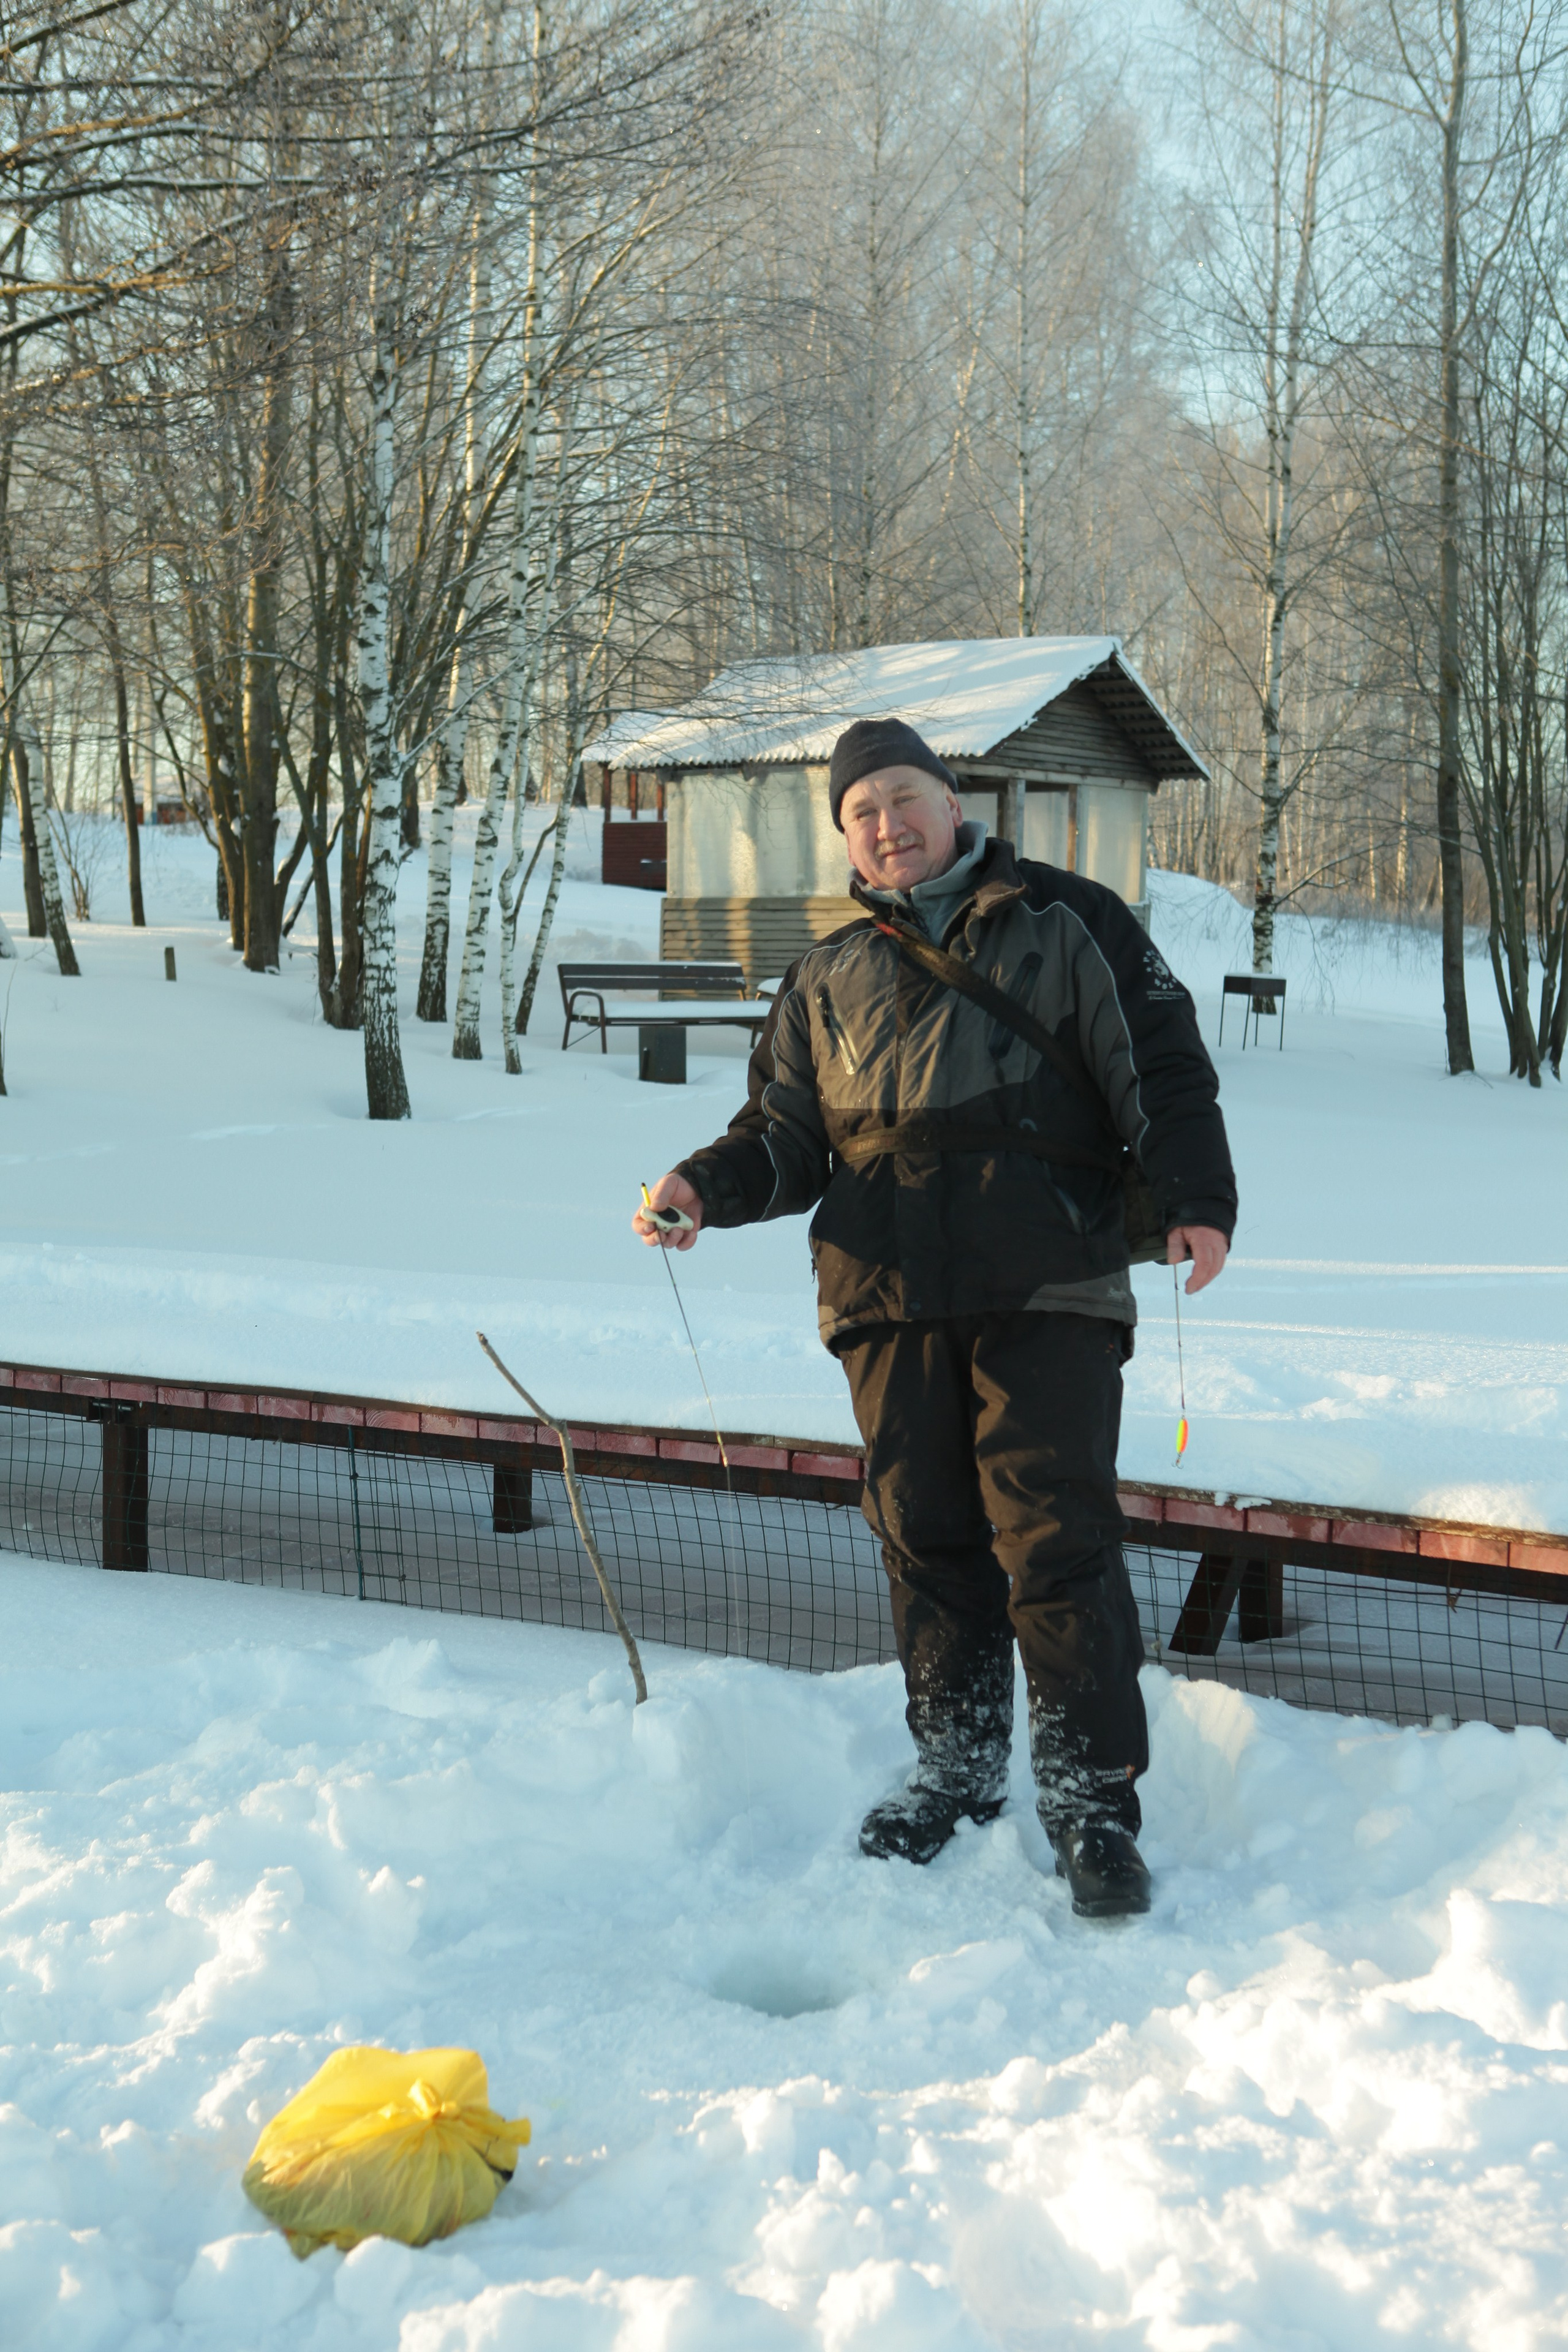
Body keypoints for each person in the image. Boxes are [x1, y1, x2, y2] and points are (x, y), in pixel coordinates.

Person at [634, 716, 1236, 1918]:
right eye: (860, 811)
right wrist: (704, 1185)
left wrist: (1193, 1199)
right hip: (884, 1293)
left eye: (901, 796)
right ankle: (956, 1772)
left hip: (1045, 1278)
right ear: (846, 837)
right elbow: (784, 1136)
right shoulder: (825, 972)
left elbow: (1159, 1065)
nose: (885, 824)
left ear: (948, 799)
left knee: (1052, 1536)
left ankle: (1088, 1800)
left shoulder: (1068, 920)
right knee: (923, 1532)